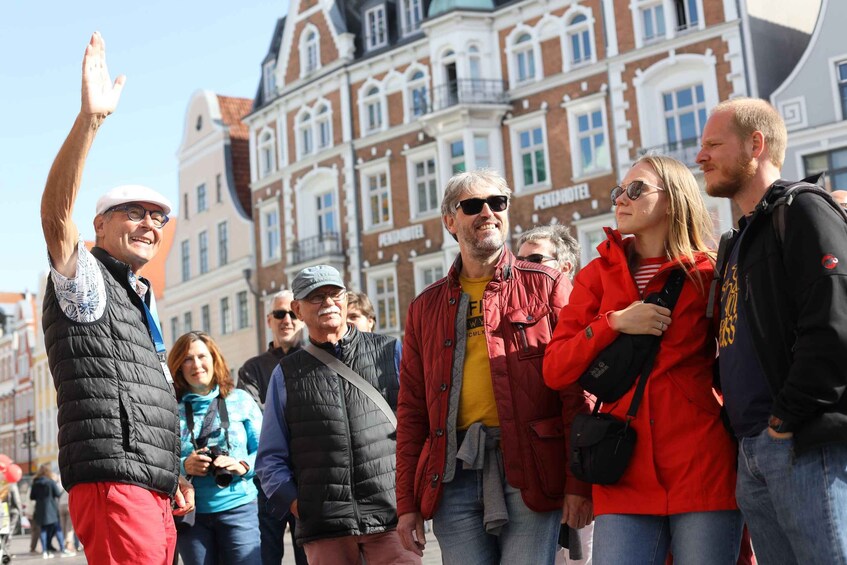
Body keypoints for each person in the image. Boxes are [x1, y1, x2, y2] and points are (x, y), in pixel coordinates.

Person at [39, 32, 193, 564]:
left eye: (158, 217)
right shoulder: (86, 277)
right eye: (134, 212)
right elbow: (56, 218)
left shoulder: (137, 294)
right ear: (100, 226)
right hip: (113, 478)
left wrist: (169, 472)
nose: (149, 224)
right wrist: (90, 121)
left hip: (147, 481)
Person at [543, 155, 742, 564]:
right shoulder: (596, 275)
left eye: (636, 190)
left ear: (672, 200)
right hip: (622, 468)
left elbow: (739, 358)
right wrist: (612, 323)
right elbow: (556, 367)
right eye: (620, 191)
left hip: (702, 463)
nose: (621, 199)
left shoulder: (709, 273)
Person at [396, 170, 592, 564]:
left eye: (497, 203)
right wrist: (406, 504)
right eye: (472, 205)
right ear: (450, 221)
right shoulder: (424, 308)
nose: (487, 212)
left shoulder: (547, 284)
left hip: (532, 471)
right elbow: (412, 410)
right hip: (452, 475)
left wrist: (579, 482)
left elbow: (577, 391)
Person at [697, 97, 847, 564]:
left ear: (755, 144)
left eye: (714, 145)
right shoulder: (737, 239)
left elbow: (835, 321)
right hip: (753, 450)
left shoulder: (802, 210)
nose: (700, 157)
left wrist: (786, 418)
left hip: (802, 444)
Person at [256, 265, 420, 565]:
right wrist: (299, 506)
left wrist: (411, 499)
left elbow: (417, 426)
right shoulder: (287, 374)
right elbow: (269, 459)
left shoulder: (389, 351)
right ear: (297, 309)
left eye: (334, 294)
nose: (328, 303)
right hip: (325, 529)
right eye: (316, 298)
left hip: (390, 519)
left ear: (346, 299)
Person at [517, 226, 588, 565]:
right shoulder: (519, 326)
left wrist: (579, 483)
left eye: (534, 260)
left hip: (591, 469)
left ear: (565, 267)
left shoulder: (590, 314)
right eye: (518, 261)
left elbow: (582, 401)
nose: (523, 268)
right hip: (542, 479)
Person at [168, 332, 263, 564]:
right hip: (192, 517)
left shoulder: (240, 400)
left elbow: (267, 451)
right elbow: (159, 460)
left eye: (202, 356)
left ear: (214, 359)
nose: (196, 364)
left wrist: (241, 465)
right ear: (179, 366)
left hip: (240, 509)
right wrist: (184, 465)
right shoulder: (170, 410)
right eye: (188, 359)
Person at [237, 291, 308, 565]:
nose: (286, 320)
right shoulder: (251, 369)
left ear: (300, 318)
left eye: (292, 313)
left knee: (309, 557)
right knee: (266, 556)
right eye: (280, 314)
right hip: (267, 480)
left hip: (306, 476)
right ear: (269, 320)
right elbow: (256, 419)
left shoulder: (314, 360)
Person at [30, 465, 73, 558]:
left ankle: (45, 551)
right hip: (52, 509)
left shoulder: (35, 483)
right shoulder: (50, 482)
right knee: (58, 529)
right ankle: (63, 549)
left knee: (43, 530)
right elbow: (57, 493)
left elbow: (32, 496)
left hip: (40, 509)